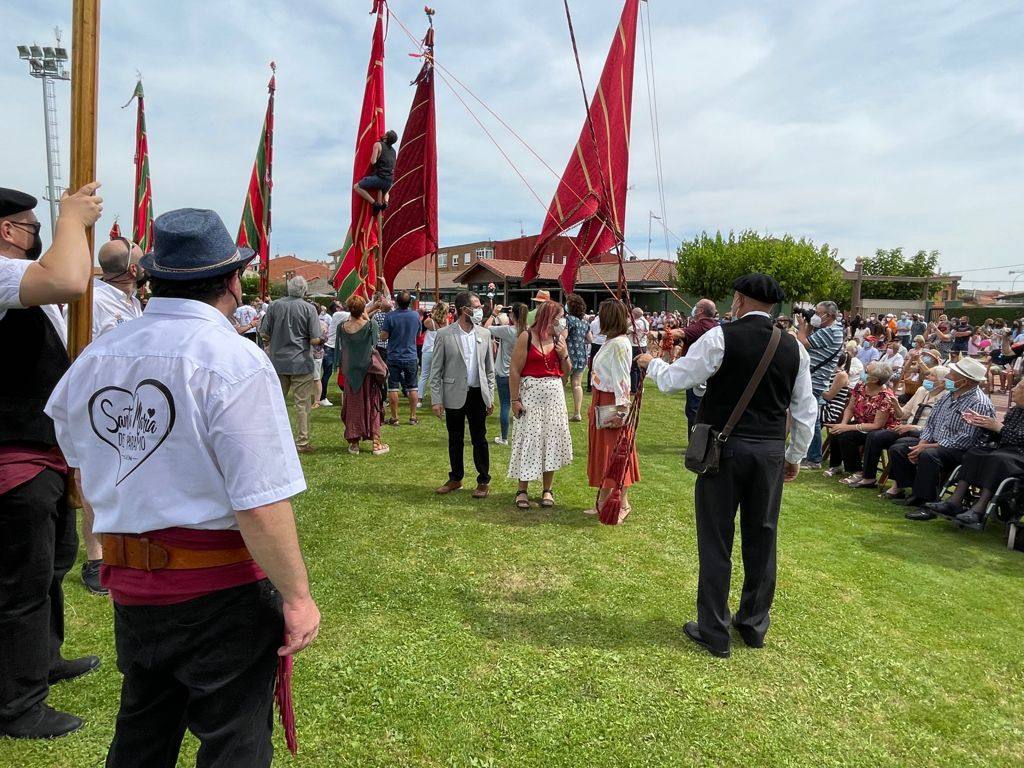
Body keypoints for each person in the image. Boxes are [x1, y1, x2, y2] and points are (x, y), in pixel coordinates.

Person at [45, 207, 320, 764]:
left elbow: (81, 469)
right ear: (231, 281)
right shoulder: (233, 360)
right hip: (216, 589)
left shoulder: (95, 359)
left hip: (135, 588)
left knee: (145, 728)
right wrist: (297, 596)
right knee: (233, 743)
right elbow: (260, 502)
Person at [636, 274, 817, 658]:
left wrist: (652, 363)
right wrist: (795, 456)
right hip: (768, 453)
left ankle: (714, 630)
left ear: (738, 300)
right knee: (763, 538)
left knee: (716, 539)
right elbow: (805, 410)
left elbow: (674, 380)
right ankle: (753, 625)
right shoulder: (795, 349)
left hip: (725, 450)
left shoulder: (721, 338)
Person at [0, 184, 103, 739]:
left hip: (43, 453)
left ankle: (42, 659)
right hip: (14, 458)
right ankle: (17, 705)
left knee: (52, 566)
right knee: (20, 583)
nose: (38, 234)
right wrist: (71, 216)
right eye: (30, 224)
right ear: (7, 230)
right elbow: (66, 278)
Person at [78, 237, 147, 594]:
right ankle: (95, 556)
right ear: (132, 269)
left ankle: (123, 547)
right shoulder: (93, 301)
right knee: (92, 479)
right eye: (141, 257)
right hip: (98, 404)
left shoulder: (133, 301)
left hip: (130, 405)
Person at [887, 357, 994, 512]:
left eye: (952, 374)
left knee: (928, 455)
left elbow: (965, 439)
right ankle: (913, 491)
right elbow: (930, 424)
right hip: (937, 443)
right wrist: (922, 443)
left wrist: (926, 447)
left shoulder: (979, 403)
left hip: (961, 451)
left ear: (965, 382)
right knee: (899, 448)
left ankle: (927, 502)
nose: (948, 377)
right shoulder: (948, 395)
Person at [924, 380, 1024, 526]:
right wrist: (983, 424)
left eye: (1018, 387)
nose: (1013, 389)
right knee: (975, 453)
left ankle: (979, 510)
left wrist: (999, 428)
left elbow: (1017, 438)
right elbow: (1000, 436)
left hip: (1019, 456)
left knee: (997, 458)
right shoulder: (1016, 411)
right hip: (1005, 450)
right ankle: (954, 502)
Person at [507, 301, 573, 509]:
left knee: (550, 440)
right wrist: (515, 399)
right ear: (549, 317)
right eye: (560, 316)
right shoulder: (526, 337)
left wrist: (564, 355)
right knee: (529, 439)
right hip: (531, 396)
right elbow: (515, 370)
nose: (562, 320)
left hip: (554, 397)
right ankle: (522, 489)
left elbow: (567, 371)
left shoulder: (559, 338)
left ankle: (547, 489)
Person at [429, 291, 495, 498]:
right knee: (455, 438)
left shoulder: (484, 334)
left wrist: (489, 396)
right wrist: (436, 400)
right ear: (463, 310)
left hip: (477, 394)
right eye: (476, 306)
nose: (480, 309)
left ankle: (483, 480)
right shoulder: (444, 334)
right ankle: (456, 477)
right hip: (453, 394)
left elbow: (489, 370)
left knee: (479, 439)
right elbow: (435, 370)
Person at [852, 365, 950, 492]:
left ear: (942, 382)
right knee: (875, 436)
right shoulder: (921, 391)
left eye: (931, 376)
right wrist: (896, 405)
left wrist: (913, 427)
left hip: (923, 434)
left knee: (899, 445)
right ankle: (868, 477)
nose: (927, 377)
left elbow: (935, 426)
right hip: (905, 429)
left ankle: (898, 485)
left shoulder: (945, 398)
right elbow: (903, 414)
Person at [586, 299, 638, 521]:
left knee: (616, 453)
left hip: (612, 402)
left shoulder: (618, 343)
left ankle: (622, 504)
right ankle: (603, 500)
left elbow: (622, 379)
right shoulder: (611, 341)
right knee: (606, 454)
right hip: (602, 399)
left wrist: (621, 409)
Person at [260, 276, 322, 453]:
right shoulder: (309, 309)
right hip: (301, 362)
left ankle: (271, 439)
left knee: (275, 402)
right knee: (302, 404)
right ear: (304, 290)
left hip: (278, 361)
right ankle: (302, 442)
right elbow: (315, 338)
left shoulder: (274, 306)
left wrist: (274, 341)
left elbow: (264, 333)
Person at [823, 361, 898, 480]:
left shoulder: (885, 396)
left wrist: (847, 427)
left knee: (846, 435)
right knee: (837, 430)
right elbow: (850, 408)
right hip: (861, 422)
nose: (863, 372)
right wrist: (843, 423)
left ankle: (857, 471)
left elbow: (877, 425)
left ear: (874, 379)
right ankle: (836, 465)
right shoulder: (861, 386)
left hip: (878, 430)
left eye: (866, 371)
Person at [337, 294, 389, 456]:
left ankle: (354, 444)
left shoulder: (342, 327)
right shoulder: (370, 325)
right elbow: (374, 345)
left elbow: (343, 350)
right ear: (363, 309)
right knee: (372, 404)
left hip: (351, 373)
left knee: (353, 406)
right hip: (368, 373)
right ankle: (376, 443)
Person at [797, 300, 844, 470]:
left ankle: (814, 458)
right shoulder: (829, 329)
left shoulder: (831, 331)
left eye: (818, 313)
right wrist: (809, 324)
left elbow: (803, 342)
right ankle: (809, 455)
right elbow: (808, 341)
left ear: (829, 315)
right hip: (814, 378)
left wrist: (802, 326)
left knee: (811, 420)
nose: (815, 316)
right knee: (810, 419)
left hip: (815, 380)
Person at [487, 302, 528, 445]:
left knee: (505, 405)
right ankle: (523, 436)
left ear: (512, 315)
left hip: (505, 372)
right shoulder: (527, 331)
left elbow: (485, 328)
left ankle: (504, 438)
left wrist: (494, 314)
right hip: (522, 373)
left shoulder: (508, 330)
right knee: (522, 403)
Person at [379, 290, 421, 425]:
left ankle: (394, 417)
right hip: (411, 355)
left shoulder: (390, 316)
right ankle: (413, 417)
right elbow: (418, 333)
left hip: (394, 355)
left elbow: (384, 336)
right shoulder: (415, 316)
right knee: (413, 387)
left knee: (393, 387)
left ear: (396, 302)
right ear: (409, 302)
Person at [676, 299, 719, 432]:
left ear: (700, 311)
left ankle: (695, 445)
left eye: (696, 306)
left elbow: (682, 333)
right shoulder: (716, 326)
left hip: (698, 374)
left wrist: (661, 334)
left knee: (694, 410)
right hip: (710, 371)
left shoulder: (702, 325)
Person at [353, 129, 398, 214]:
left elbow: (373, 161)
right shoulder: (394, 151)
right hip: (390, 181)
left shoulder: (378, 144)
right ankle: (386, 203)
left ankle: (375, 204)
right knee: (385, 192)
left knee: (357, 187)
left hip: (380, 178)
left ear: (386, 137)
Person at [565, 294, 590, 421]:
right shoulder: (585, 323)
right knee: (577, 384)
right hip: (581, 355)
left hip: (568, 355)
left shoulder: (568, 320)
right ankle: (577, 413)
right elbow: (590, 339)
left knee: (562, 383)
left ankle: (560, 412)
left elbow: (564, 336)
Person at [321, 300, 351, 407]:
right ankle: (322, 397)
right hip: (331, 348)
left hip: (335, 348)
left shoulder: (339, 315)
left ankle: (324, 396)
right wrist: (374, 306)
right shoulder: (338, 314)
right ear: (337, 308)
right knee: (327, 374)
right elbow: (358, 311)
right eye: (340, 305)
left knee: (341, 372)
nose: (342, 305)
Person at [418, 301, 447, 408]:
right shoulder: (446, 322)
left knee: (424, 375)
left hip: (428, 350)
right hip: (439, 351)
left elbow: (422, 326)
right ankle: (440, 400)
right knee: (440, 377)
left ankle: (419, 399)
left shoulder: (429, 321)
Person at [627, 306, 650, 394]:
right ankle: (639, 387)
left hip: (635, 346)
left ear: (635, 315)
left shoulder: (637, 322)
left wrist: (628, 323)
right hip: (643, 345)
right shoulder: (645, 321)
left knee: (633, 368)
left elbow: (626, 331)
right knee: (640, 368)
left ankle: (634, 388)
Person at [586, 309, 606, 392]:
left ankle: (590, 386)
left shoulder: (594, 323)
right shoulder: (607, 322)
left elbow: (591, 333)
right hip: (603, 344)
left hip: (595, 343)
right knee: (602, 366)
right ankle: (598, 384)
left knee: (593, 366)